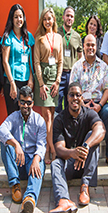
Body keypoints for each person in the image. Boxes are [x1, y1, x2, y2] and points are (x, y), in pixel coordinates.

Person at [49, 82, 105, 212]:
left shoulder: (89, 113)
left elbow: (101, 130)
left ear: (82, 97)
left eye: (78, 95)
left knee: (94, 136)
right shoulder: (59, 119)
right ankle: (63, 201)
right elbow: (59, 149)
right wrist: (73, 153)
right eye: (72, 95)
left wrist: (85, 146)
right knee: (55, 163)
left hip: (86, 163)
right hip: (69, 163)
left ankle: (85, 186)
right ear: (67, 97)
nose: (75, 98)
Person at [70, 34, 108, 167]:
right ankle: (78, 155)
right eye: (88, 45)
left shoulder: (103, 66)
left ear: (97, 47)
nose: (90, 47)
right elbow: (73, 89)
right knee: (74, 114)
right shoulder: (77, 66)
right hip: (81, 103)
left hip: (99, 103)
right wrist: (83, 104)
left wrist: (100, 105)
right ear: (84, 47)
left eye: (93, 45)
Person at [0, 86, 46, 213]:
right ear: (19, 102)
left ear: (33, 103)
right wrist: (16, 144)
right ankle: (15, 185)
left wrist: (36, 159)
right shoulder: (13, 117)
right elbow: (1, 130)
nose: (25, 106)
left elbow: (42, 145)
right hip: (17, 163)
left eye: (29, 102)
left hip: (31, 162)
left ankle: (29, 199)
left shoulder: (40, 121)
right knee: (6, 144)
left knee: (40, 162)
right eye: (23, 102)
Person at [34, 8, 63, 164]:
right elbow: (36, 62)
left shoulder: (58, 37)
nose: (47, 21)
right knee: (47, 118)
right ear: (42, 21)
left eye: (49, 19)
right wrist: (41, 84)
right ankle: (49, 149)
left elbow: (60, 62)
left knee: (52, 114)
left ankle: (50, 147)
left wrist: (58, 81)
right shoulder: (38, 38)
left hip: (54, 79)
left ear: (53, 20)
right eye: (44, 19)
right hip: (43, 79)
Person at [2, 4, 35, 115]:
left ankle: (24, 133)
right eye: (16, 17)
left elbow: (30, 60)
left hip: (25, 80)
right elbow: (5, 61)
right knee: (13, 114)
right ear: (12, 19)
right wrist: (12, 84)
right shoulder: (8, 37)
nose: (19, 20)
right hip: (12, 81)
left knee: (25, 113)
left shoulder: (29, 36)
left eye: (21, 16)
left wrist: (31, 79)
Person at [57, 6, 83, 114]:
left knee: (72, 104)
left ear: (74, 19)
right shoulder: (56, 33)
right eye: (67, 15)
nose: (69, 18)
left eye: (71, 16)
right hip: (60, 74)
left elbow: (80, 57)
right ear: (63, 17)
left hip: (73, 75)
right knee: (57, 103)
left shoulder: (77, 36)